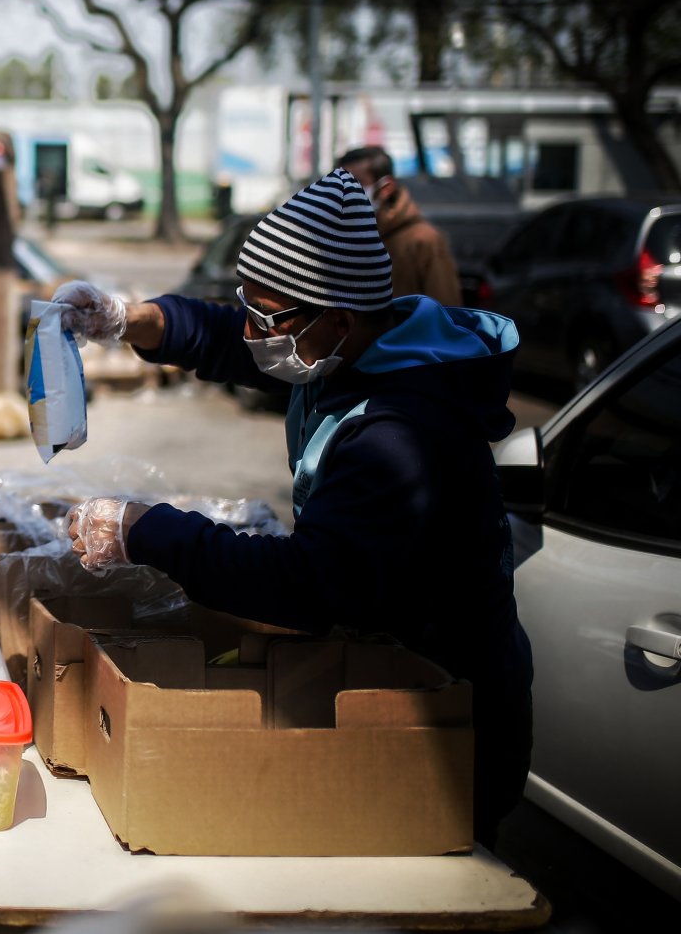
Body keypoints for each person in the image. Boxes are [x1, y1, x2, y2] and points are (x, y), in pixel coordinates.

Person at [53, 169, 533, 848]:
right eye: (250, 306)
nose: (254, 332)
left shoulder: (404, 432)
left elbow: (305, 588)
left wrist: (146, 530)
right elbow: (228, 337)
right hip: (379, 680)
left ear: (337, 319)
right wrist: (132, 317)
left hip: (446, 720)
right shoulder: (349, 348)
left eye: (268, 318)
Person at [337, 145, 461, 305]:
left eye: (356, 183)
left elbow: (446, 312)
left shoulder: (424, 240)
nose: (344, 193)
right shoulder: (340, 235)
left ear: (386, 188)